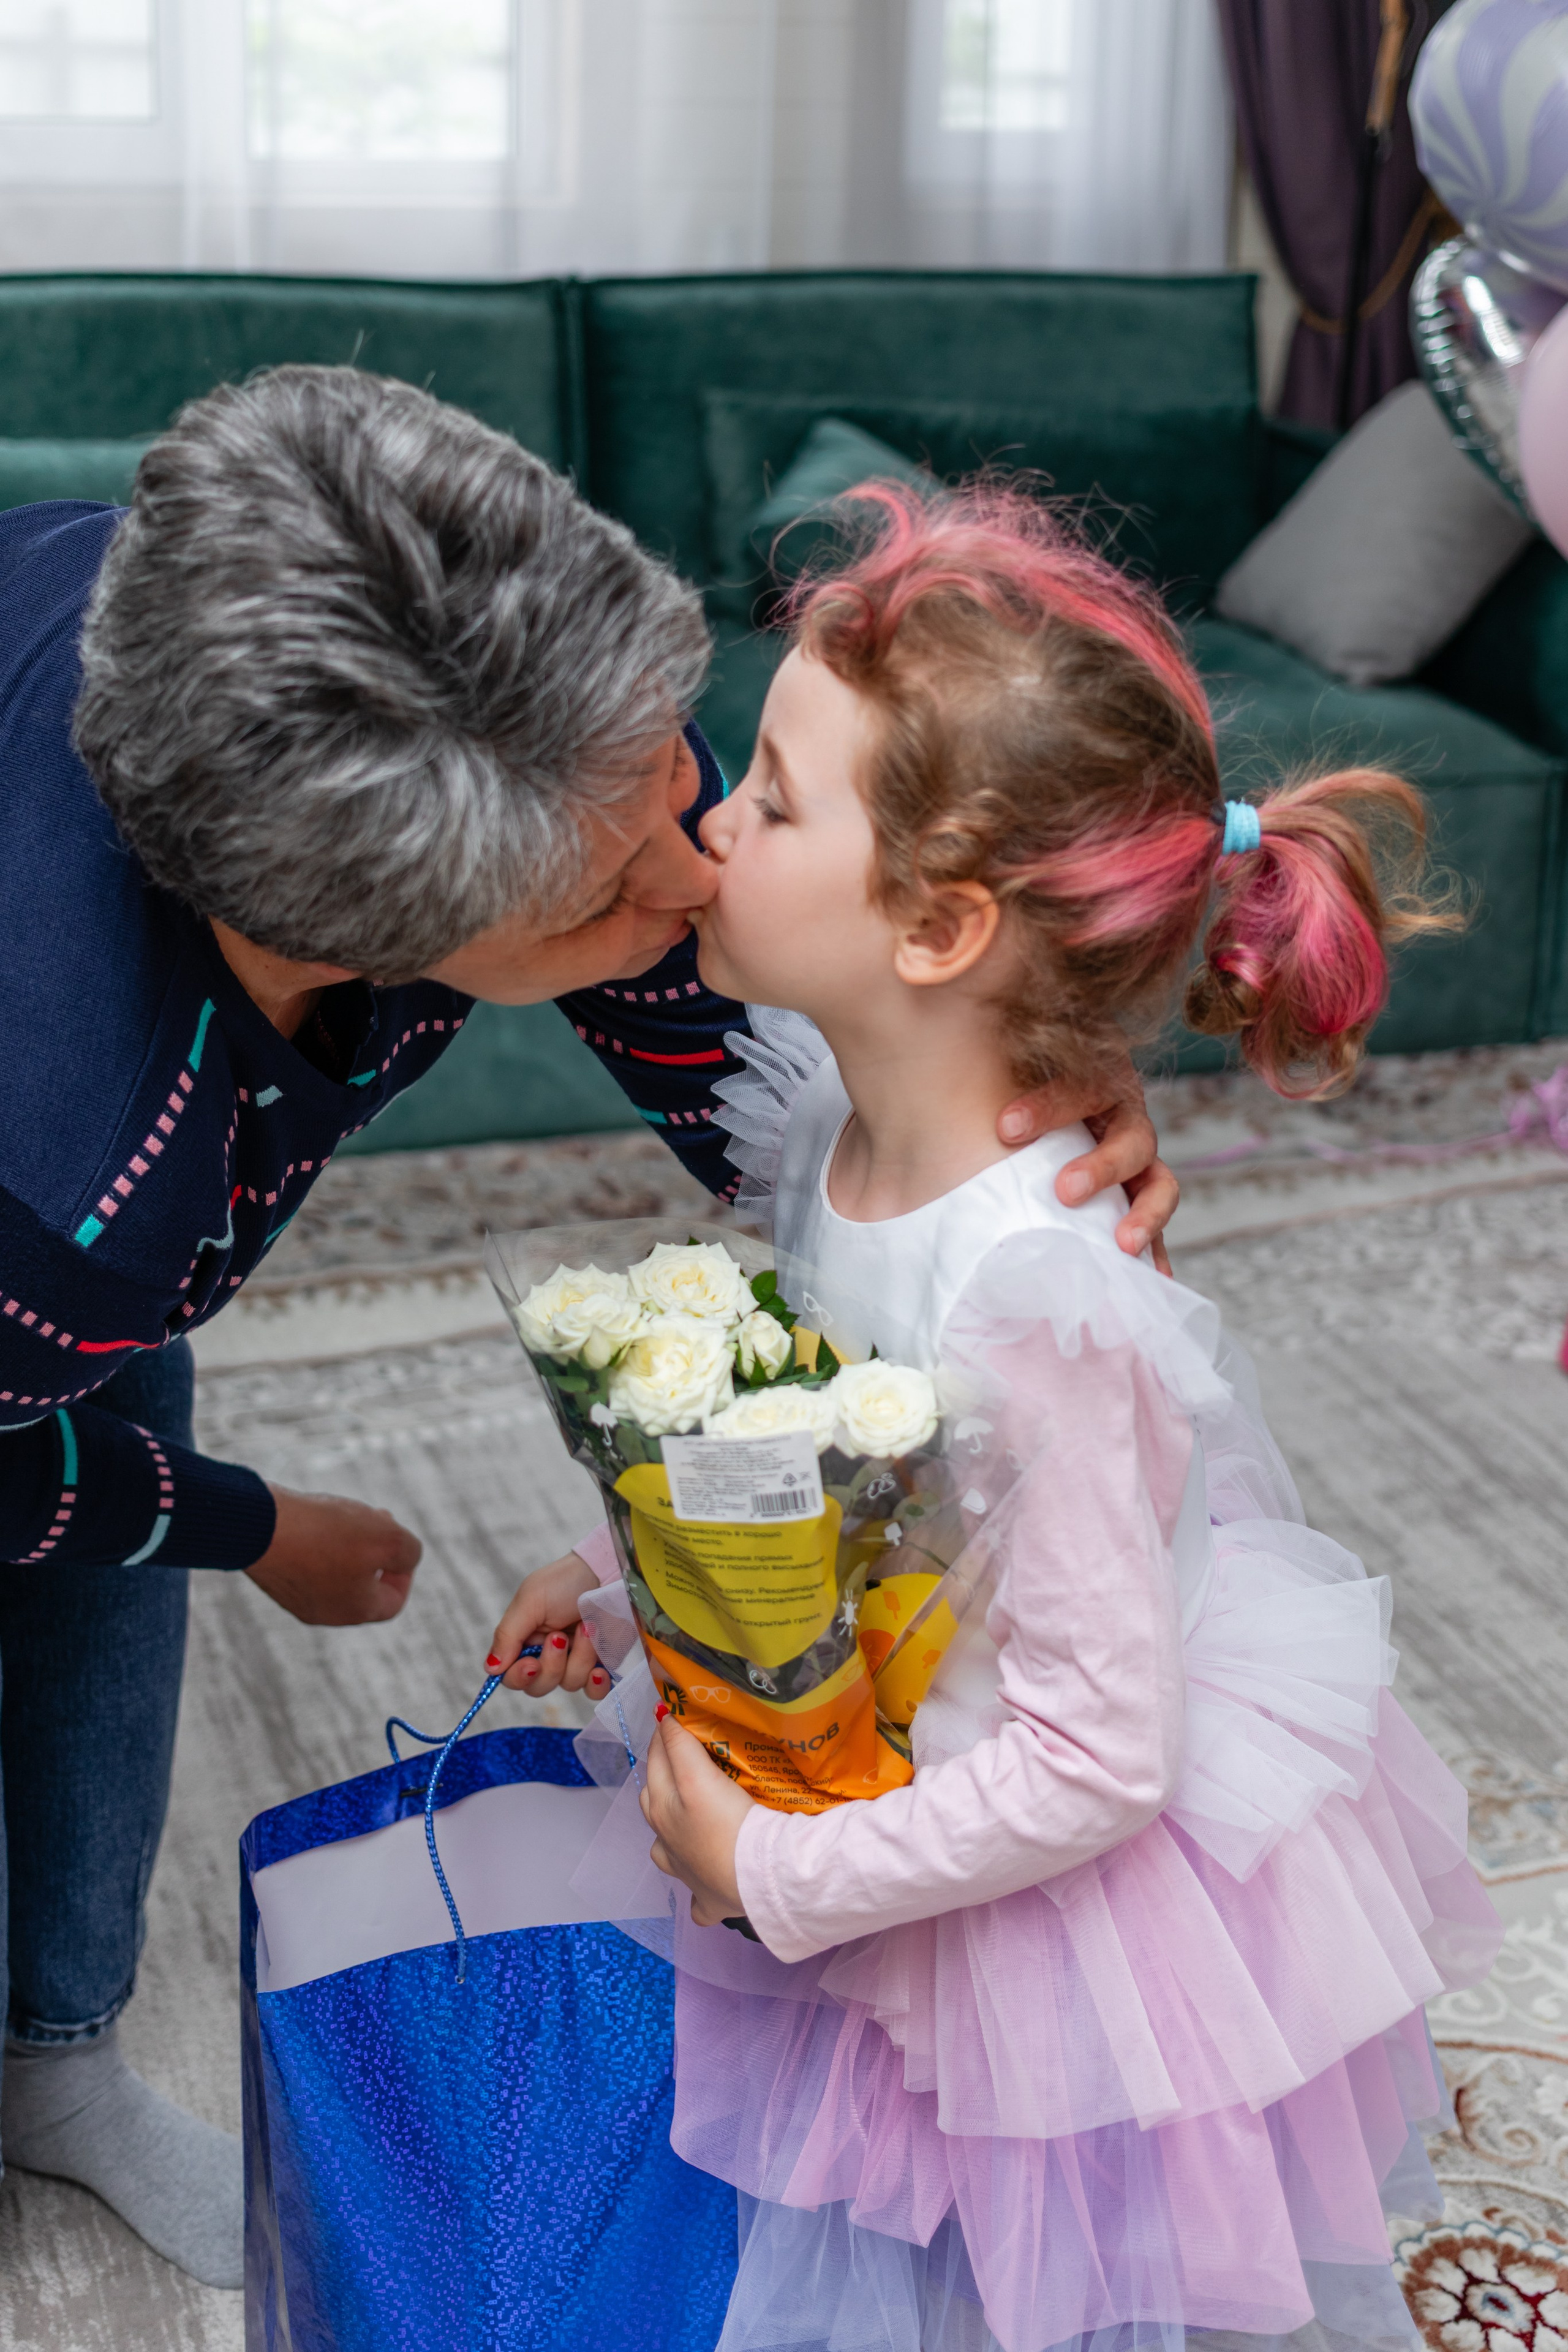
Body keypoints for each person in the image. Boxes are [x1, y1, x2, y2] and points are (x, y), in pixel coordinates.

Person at [0, 371, 1174, 2288]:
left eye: (700, 788)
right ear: (363, 941)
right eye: (620, 894)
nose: (701, 868)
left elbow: (746, 1051)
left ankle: (50, 2049)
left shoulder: (494, 698)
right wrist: (249, 1526)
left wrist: (989, 1094)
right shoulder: (62, 1171)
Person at [489, 482, 1502, 2352]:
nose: (712, 823)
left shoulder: (1042, 1302)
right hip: (889, 1764)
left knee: (1003, 2272)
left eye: (774, 799)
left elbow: (1101, 1757)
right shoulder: (819, 1129)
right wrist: (657, 1598)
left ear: (942, 928)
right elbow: (873, 1505)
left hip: (1018, 1896)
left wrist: (780, 1874)